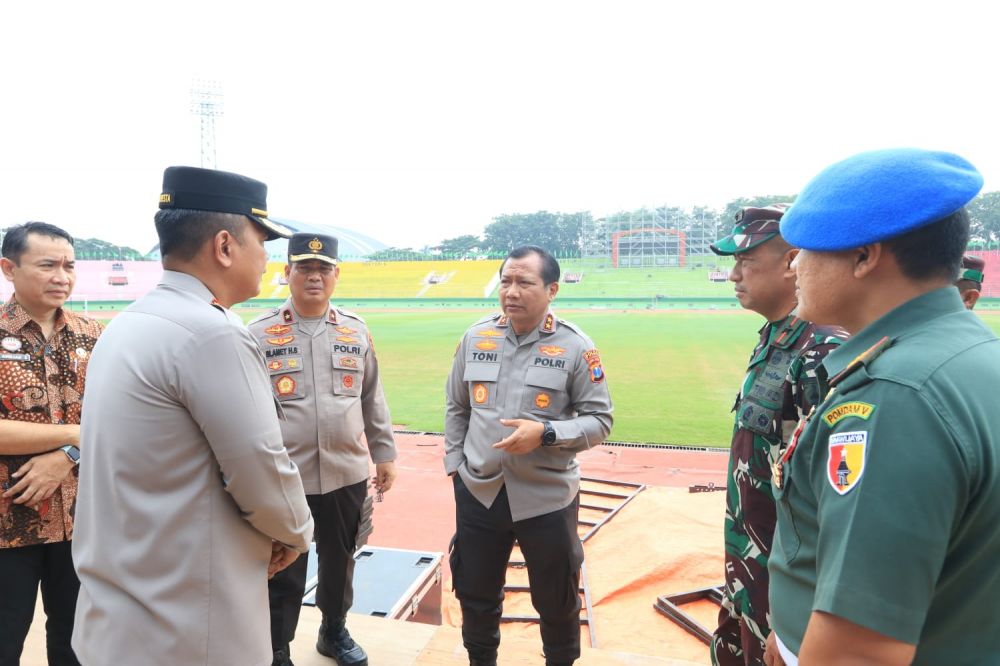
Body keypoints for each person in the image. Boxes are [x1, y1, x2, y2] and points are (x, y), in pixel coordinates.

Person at [765, 148, 1000, 665]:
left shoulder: (896, 395)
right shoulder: (972, 353)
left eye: (806, 248)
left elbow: (860, 651)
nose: (794, 265)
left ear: (864, 257)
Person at [72, 167, 314, 666]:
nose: (267, 258)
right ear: (224, 246)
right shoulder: (211, 333)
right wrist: (295, 532)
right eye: (261, 241)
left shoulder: (128, 323)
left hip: (120, 613)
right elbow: (260, 465)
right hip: (186, 625)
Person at [444, 245, 613, 666]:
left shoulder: (576, 347)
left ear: (552, 290)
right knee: (475, 593)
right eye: (505, 281)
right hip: (480, 491)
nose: (511, 291)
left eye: (524, 282)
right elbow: (457, 407)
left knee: (556, 599)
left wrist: (547, 433)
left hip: (546, 496)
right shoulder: (475, 337)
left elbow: (599, 421)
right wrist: (456, 469)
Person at [249, 233, 398, 666]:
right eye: (305, 268)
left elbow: (372, 396)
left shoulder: (355, 330)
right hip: (285, 475)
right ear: (287, 273)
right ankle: (277, 648)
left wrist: (384, 454)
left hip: (345, 471)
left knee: (341, 559)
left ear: (336, 275)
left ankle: (333, 630)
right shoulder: (258, 333)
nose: (314, 276)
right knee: (283, 564)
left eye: (323, 269)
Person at [708, 206, 846, 666]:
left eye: (745, 261)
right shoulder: (779, 336)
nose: (733, 275)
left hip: (784, 591)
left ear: (791, 262)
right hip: (750, 571)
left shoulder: (821, 348)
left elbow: (833, 500)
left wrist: (799, 618)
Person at [0, 222, 102, 666]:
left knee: (78, 645)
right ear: (9, 268)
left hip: (84, 523)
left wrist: (68, 456)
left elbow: (122, 421)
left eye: (69, 266)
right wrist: (76, 435)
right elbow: (96, 427)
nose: (62, 277)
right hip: (8, 524)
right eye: (47, 265)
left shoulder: (95, 335)